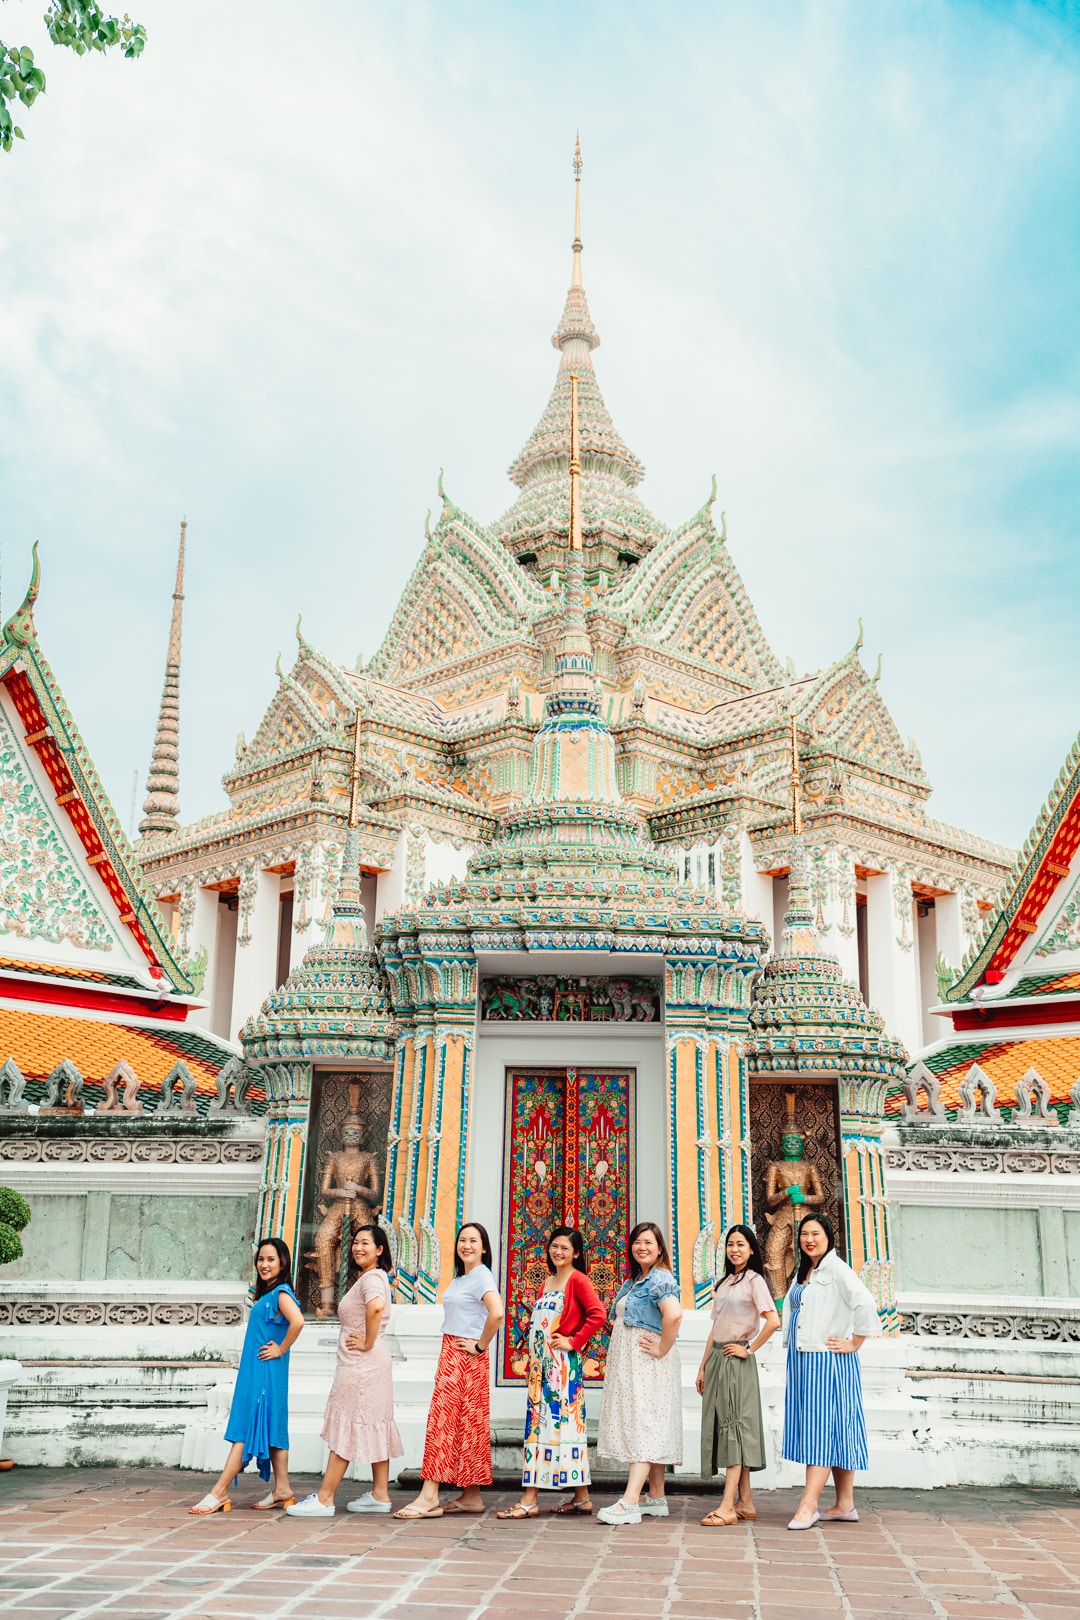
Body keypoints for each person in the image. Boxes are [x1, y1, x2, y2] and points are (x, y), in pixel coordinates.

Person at [286, 1224, 403, 1517]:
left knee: (348, 1425)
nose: (358, 1248)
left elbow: (375, 1307)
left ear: (380, 1250)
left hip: (361, 1365)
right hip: (372, 1363)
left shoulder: (371, 1279)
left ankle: (325, 1498)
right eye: (355, 1243)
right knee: (375, 1422)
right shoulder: (373, 1277)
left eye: (366, 1243)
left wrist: (366, 1340)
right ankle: (379, 1493)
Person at [395, 1222, 504, 1519]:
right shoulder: (464, 1277)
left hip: (465, 1357)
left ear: (484, 1247)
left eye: (473, 1240)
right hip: (456, 1354)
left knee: (442, 1424)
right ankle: (471, 1495)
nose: (466, 1245)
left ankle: (429, 1495)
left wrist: (481, 1346)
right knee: (467, 1423)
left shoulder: (481, 1276)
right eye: (462, 1240)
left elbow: (497, 1313)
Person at [497, 1226, 606, 1520]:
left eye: (565, 1248)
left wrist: (573, 1341)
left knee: (546, 1428)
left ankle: (529, 1498)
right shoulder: (548, 1281)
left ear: (577, 1253)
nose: (558, 1252)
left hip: (561, 1368)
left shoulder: (577, 1279)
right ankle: (582, 1497)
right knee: (555, 1428)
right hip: (540, 1367)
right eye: (554, 1246)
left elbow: (598, 1314)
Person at [189, 1237, 303, 1514]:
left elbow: (298, 1321)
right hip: (261, 1372)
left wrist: (281, 1348)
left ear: (283, 1263)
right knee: (272, 1429)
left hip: (264, 1373)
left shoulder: (281, 1294)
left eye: (271, 1259)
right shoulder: (269, 1295)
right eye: (261, 1259)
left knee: (247, 1430)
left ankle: (219, 1491)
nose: (264, 1264)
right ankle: (283, 1488)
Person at [782, 1213, 880, 1531]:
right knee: (836, 1427)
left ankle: (808, 1505)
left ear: (828, 1237)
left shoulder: (837, 1269)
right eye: (804, 1234)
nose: (809, 1239)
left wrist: (855, 1342)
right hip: (804, 1360)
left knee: (820, 1430)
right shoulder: (807, 1270)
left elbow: (865, 1301)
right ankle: (844, 1503)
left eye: (816, 1233)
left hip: (826, 1360)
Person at [595, 1221, 683, 1526]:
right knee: (646, 1420)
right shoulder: (636, 1280)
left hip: (648, 1362)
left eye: (648, 1242)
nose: (642, 1247)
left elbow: (675, 1314)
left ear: (659, 1248)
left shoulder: (659, 1279)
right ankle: (655, 1495)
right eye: (637, 1243)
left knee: (645, 1424)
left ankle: (630, 1501)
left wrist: (662, 1349)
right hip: (633, 1361)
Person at [696, 1224, 781, 1527]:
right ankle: (745, 1502)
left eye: (741, 1244)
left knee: (734, 1427)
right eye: (730, 1244)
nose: (734, 1249)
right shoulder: (726, 1282)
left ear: (751, 1249)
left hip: (736, 1360)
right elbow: (714, 1327)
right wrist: (703, 1365)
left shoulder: (754, 1281)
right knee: (727, 1425)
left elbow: (773, 1320)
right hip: (718, 1358)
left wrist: (750, 1349)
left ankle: (727, 1507)